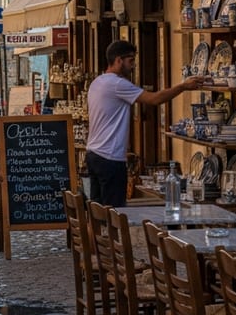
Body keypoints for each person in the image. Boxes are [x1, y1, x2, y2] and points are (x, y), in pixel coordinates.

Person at [87, 40, 205, 207]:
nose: (133, 65)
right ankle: (109, 234)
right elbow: (154, 99)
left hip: (94, 153)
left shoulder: (97, 82)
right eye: (131, 61)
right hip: (110, 157)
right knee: (114, 211)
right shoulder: (118, 84)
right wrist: (183, 86)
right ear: (119, 60)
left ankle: (95, 233)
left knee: (97, 209)